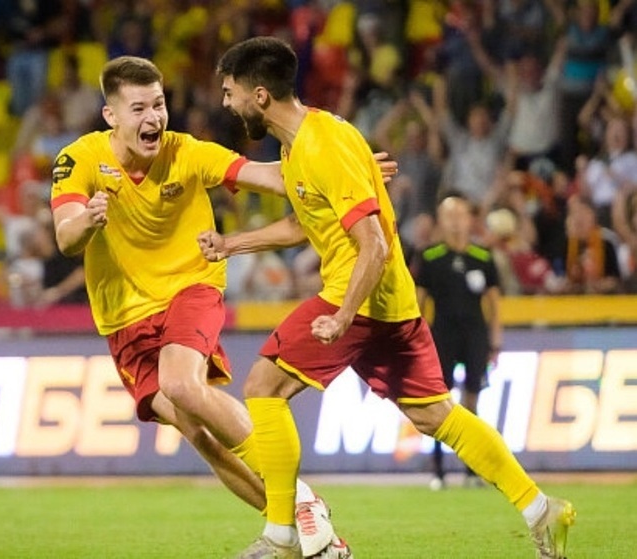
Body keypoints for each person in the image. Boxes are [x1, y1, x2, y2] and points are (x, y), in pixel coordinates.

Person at [199, 36, 575, 559]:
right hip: (392, 303)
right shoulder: (309, 142)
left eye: (230, 92)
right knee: (436, 415)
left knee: (264, 386)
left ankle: (283, 536)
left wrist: (342, 315)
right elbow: (302, 223)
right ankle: (540, 508)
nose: (225, 103)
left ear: (259, 95)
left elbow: (372, 243)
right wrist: (231, 244)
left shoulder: (323, 145)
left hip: (358, 296)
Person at [50, 55, 397, 557]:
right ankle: (304, 537)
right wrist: (87, 220)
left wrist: (348, 168)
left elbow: (272, 176)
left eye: (159, 104)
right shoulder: (79, 159)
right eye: (139, 109)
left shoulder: (188, 152)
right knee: (197, 431)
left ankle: (299, 501)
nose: (153, 118)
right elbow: (65, 237)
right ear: (111, 115)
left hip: (191, 287)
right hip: (123, 316)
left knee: (181, 384)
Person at [415, 193, 502, 490]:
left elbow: (494, 303)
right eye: (449, 215)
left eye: (460, 214)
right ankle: (438, 469)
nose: (455, 221)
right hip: (442, 335)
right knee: (440, 402)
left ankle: (471, 469)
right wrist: (417, 343)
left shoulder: (483, 257)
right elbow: (418, 304)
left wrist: (495, 341)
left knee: (472, 400)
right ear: (440, 220)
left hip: (475, 335)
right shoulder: (430, 257)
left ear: (469, 219)